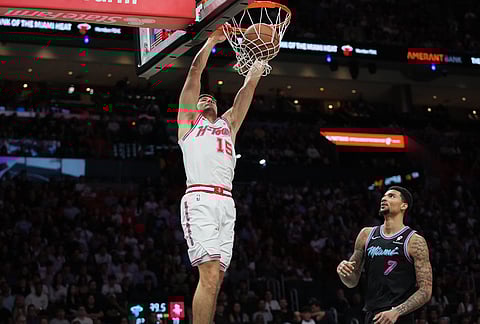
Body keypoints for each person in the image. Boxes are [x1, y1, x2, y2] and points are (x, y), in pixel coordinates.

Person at [178, 24, 265, 324]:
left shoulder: (228, 126)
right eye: (202, 98)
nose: (206, 98)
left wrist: (260, 61)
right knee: (211, 275)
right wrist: (212, 41)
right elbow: (193, 74)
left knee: (216, 280)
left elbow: (247, 90)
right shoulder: (189, 123)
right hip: (199, 197)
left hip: (227, 203)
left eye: (210, 97)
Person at [336, 186, 432, 324]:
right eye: (384, 196)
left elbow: (425, 291)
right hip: (372, 315)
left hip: (399, 317)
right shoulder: (366, 235)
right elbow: (351, 282)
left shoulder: (414, 241)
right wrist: (342, 271)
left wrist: (397, 311)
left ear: (403, 206)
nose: (384, 198)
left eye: (391, 196)